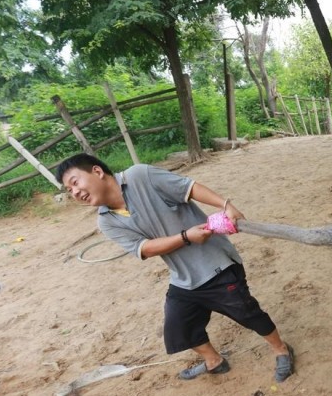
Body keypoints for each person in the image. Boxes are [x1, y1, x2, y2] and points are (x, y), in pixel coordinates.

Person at [56, 154, 295, 383]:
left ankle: (281, 349)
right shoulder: (106, 220)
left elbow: (188, 188)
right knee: (179, 327)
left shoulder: (140, 176)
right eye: (69, 190)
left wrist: (226, 205)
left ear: (97, 171)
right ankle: (214, 361)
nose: (75, 192)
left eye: (75, 182)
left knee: (247, 312)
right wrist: (186, 236)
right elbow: (145, 248)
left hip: (216, 264)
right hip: (183, 277)